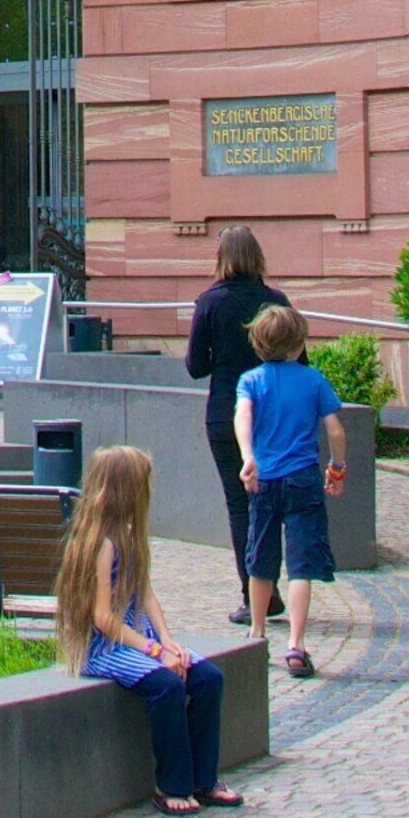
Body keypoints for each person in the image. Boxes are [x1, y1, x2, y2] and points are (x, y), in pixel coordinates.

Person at [55, 446, 242, 817]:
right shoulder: (100, 544)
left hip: (137, 638)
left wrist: (169, 642)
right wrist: (155, 653)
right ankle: (171, 784)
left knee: (206, 677)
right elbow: (103, 618)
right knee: (167, 686)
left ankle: (204, 778)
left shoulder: (127, 536)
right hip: (104, 648)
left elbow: (147, 595)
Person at [182, 226, 290, 623]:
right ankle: (270, 585)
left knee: (238, 503)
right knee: (272, 502)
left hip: (226, 412)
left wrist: (224, 354)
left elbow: (195, 366)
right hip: (272, 414)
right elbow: (301, 359)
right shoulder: (276, 301)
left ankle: (254, 595)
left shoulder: (210, 302)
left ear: (221, 258)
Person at [234, 302, 348, 677]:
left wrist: (248, 457)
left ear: (257, 344)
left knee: (261, 559)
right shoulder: (313, 379)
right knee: (301, 566)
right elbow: (335, 430)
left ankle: (256, 634)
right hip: (303, 479)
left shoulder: (251, 380)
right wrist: (337, 468)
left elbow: (243, 417)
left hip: (264, 480)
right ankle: (296, 645)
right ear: (299, 344)